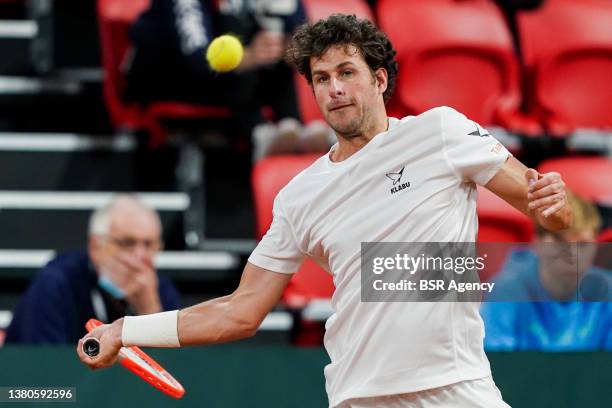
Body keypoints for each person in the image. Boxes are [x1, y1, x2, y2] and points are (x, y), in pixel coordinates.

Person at [77, 15, 572, 407]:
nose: (333, 88)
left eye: (346, 73)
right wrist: (128, 330)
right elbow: (240, 312)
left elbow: (547, 211)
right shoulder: (300, 196)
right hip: (358, 396)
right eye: (321, 78)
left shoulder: (440, 132)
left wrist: (557, 203)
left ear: (380, 80)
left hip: (457, 388)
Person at [6, 195, 180, 344]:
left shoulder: (160, 291)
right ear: (96, 247)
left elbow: (179, 370)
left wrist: (149, 312)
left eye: (149, 244)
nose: (140, 256)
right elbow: (42, 370)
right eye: (127, 243)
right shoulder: (56, 284)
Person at [124, 0, 307, 141]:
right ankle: (259, 134)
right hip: (165, 78)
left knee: (275, 43)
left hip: (228, 81)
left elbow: (303, 37)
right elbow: (197, 56)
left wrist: (284, 46)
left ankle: (291, 128)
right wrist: (250, 56)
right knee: (234, 38)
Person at [481, 193, 612, 351]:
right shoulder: (505, 291)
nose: (573, 255)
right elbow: (498, 364)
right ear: (537, 243)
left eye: (583, 244)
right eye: (561, 241)